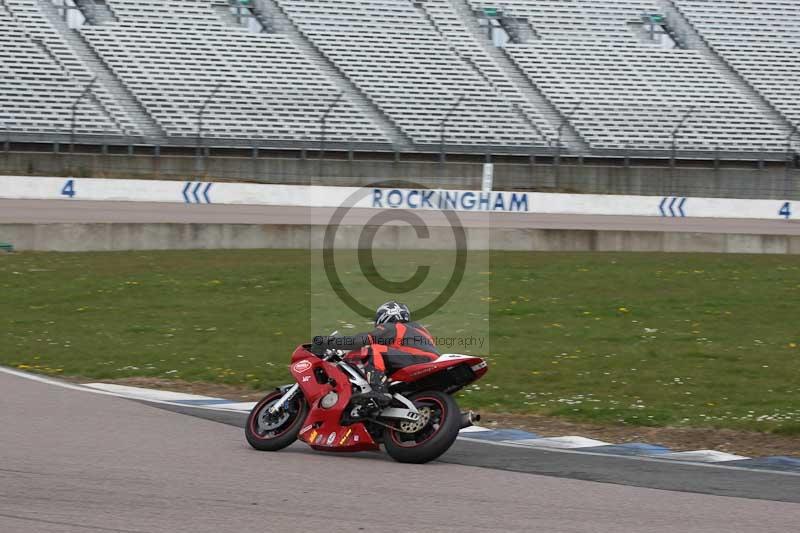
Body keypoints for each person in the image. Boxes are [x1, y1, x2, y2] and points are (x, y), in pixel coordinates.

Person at [311, 301, 440, 408]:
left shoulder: (393, 327)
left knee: (374, 349)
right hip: (429, 363)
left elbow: (359, 341)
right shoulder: (420, 329)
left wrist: (328, 342)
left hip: (415, 360)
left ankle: (378, 390)